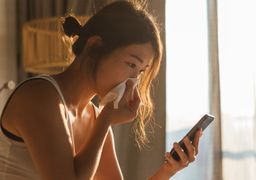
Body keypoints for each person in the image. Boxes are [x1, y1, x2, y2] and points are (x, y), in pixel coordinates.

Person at [0, 1, 203, 180]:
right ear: (94, 46)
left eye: (140, 72)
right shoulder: (40, 96)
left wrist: (168, 171)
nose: (133, 82)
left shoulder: (94, 117)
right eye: (131, 64)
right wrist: (105, 120)